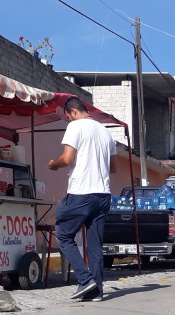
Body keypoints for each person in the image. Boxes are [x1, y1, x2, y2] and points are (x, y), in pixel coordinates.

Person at [49, 96, 117, 302]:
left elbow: (67, 158)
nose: (69, 120)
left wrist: (54, 163)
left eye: (68, 117)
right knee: (95, 244)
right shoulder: (106, 132)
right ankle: (97, 291)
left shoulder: (76, 126)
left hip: (81, 192)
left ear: (73, 112)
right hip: (103, 194)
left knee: (63, 234)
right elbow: (113, 168)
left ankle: (85, 279)